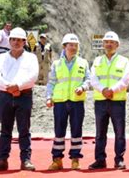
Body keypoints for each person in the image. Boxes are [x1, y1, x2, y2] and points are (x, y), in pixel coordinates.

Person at [46, 33, 90, 170]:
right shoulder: (56, 64)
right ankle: (57, 159)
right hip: (60, 102)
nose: (74, 47)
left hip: (77, 101)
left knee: (77, 130)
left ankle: (75, 159)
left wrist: (83, 87)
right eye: (71, 45)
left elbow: (88, 80)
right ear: (64, 46)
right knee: (59, 131)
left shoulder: (83, 63)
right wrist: (49, 97)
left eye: (76, 45)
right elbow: (51, 82)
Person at [88, 31, 129, 170]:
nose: (109, 44)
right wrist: (104, 90)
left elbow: (125, 80)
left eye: (112, 42)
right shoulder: (97, 61)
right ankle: (100, 160)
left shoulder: (124, 61)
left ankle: (119, 160)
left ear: (117, 45)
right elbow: (93, 79)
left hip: (117, 100)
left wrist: (112, 90)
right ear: (103, 44)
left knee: (119, 132)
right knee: (100, 133)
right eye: (106, 42)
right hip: (101, 100)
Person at [0, 27, 38, 171]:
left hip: (24, 96)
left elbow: (33, 76)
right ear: (9, 41)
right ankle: (2, 159)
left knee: (24, 129)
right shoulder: (1, 58)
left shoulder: (31, 58)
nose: (16, 42)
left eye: (19, 40)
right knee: (5, 129)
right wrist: (9, 87)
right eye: (13, 39)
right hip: (4, 95)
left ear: (24, 41)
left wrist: (18, 86)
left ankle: (26, 160)